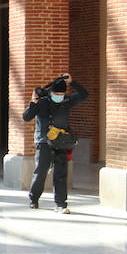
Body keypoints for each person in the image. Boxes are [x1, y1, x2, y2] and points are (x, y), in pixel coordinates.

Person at [24, 73, 88, 213]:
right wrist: (33, 102)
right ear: (51, 92)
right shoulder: (42, 102)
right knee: (41, 171)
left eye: (62, 93)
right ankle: (34, 199)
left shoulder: (66, 100)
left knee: (60, 174)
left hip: (61, 142)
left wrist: (72, 82)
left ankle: (60, 204)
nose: (59, 96)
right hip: (44, 142)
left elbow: (84, 94)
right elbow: (27, 117)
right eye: (57, 93)